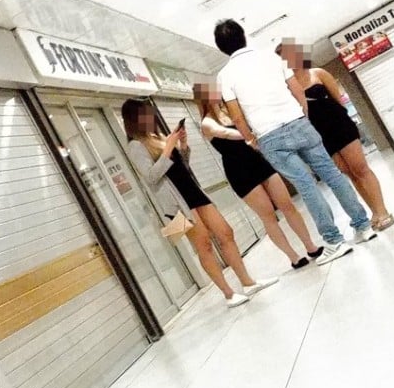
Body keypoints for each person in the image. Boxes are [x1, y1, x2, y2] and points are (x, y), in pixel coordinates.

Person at [213, 20, 376, 265]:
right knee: (332, 174)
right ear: (243, 35)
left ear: (221, 47)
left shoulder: (225, 76)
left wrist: (250, 138)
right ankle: (363, 226)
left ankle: (333, 241)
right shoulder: (271, 58)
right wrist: (303, 115)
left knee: (307, 186)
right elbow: (296, 90)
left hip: (269, 135)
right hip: (298, 121)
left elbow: (236, 115)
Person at [121, 98, 279, 307]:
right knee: (203, 245)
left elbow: (181, 167)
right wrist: (169, 147)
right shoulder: (135, 146)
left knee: (225, 233)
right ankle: (229, 294)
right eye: (145, 114)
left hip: (194, 192)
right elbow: (151, 177)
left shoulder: (157, 137)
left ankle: (248, 282)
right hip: (174, 205)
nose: (151, 117)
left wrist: (182, 145)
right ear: (135, 119)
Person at [193, 82, 323, 269]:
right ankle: (293, 256)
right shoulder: (207, 122)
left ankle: (310, 245)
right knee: (268, 216)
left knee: (287, 205)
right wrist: (248, 135)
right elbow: (224, 133)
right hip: (239, 170)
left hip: (257, 161)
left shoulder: (230, 111)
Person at [278, 41, 394, 231]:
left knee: (360, 168)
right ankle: (373, 211)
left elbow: (338, 99)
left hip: (340, 125)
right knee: (348, 173)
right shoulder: (287, 87)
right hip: (319, 136)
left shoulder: (318, 73)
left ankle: (382, 211)